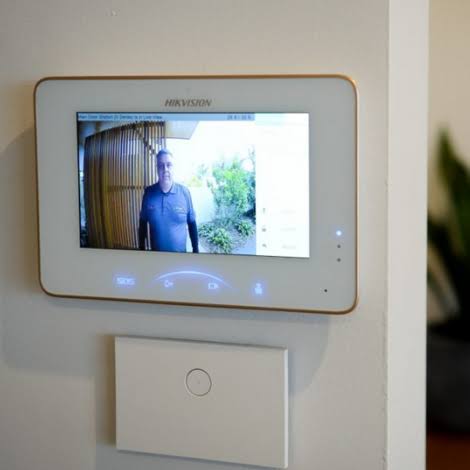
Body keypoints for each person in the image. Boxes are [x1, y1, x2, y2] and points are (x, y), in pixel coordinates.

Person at [138, 149, 199, 253]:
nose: (165, 169)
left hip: (180, 258)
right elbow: (142, 224)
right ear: (157, 169)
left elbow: (192, 223)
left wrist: (196, 250)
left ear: (173, 168)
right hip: (156, 259)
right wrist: (141, 250)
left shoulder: (185, 193)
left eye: (169, 165)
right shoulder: (148, 193)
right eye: (161, 165)